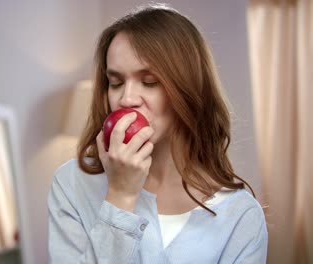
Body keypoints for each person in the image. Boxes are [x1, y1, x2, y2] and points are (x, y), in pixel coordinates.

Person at [48, 4, 268, 263]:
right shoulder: (71, 184)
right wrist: (120, 196)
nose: (127, 99)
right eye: (115, 82)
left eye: (150, 81)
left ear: (188, 89)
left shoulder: (242, 217)